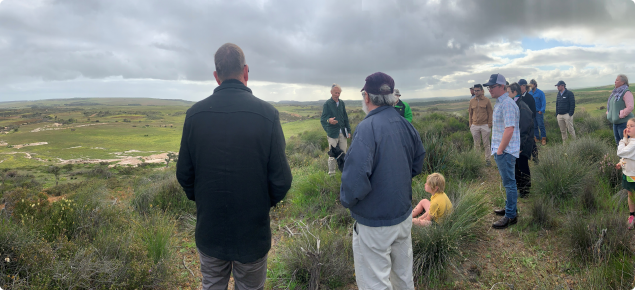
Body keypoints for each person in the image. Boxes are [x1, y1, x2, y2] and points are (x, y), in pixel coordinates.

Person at [176, 43, 293, 290]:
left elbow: (184, 174)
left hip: (210, 230)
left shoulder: (194, 115)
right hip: (252, 233)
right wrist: (262, 202)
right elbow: (282, 180)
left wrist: (205, 199)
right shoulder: (268, 114)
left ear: (216, 76)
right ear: (246, 71)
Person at [340, 72, 425, 290]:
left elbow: (354, 181)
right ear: (392, 97)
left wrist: (348, 201)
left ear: (366, 97)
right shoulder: (407, 126)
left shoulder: (366, 129)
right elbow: (416, 164)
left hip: (374, 222)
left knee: (375, 282)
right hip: (403, 215)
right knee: (404, 277)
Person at [483, 73, 520, 229]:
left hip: (505, 151)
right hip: (503, 150)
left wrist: (499, 150)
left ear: (502, 87)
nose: (490, 90)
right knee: (508, 182)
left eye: (492, 87)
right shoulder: (501, 102)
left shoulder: (507, 104)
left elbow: (509, 129)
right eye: (489, 87)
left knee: (509, 183)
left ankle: (511, 215)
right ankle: (510, 208)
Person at [509, 82, 534, 198]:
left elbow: (524, 128)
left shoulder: (522, 106)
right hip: (517, 142)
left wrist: (520, 146)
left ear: (515, 93)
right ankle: (520, 188)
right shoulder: (515, 104)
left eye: (508, 92)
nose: (506, 94)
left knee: (523, 166)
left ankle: (525, 191)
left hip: (523, 143)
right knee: (516, 166)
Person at [321, 83, 351, 175]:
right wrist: (328, 121)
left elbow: (345, 118)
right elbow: (323, 119)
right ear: (331, 92)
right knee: (332, 156)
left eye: (339, 93)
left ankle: (344, 173)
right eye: (335, 93)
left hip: (343, 132)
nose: (337, 95)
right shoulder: (327, 104)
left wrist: (349, 131)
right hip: (332, 134)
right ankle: (332, 174)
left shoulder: (341, 103)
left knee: (343, 154)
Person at [617, 118, 635, 229]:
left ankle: (632, 216)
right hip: (629, 173)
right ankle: (632, 215)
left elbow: (621, 151)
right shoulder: (631, 142)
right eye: (627, 125)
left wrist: (623, 139)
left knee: (632, 194)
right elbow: (626, 157)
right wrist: (621, 162)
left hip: (633, 174)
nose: (628, 128)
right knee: (630, 194)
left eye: (631, 126)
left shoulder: (633, 144)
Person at [468, 84, 493, 165]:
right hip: (474, 125)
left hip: (485, 125)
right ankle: (477, 160)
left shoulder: (487, 100)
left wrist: (489, 124)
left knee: (486, 143)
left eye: (478, 90)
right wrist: (470, 124)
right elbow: (470, 113)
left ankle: (488, 160)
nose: (476, 92)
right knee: (476, 144)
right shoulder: (472, 101)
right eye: (475, 90)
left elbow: (490, 112)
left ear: (482, 91)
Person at [607, 74, 633, 145]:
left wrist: (620, 114)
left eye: (617, 80)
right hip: (615, 123)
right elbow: (611, 105)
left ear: (623, 82)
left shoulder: (626, 92)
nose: (615, 81)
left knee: (626, 143)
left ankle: (628, 156)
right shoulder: (615, 93)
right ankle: (621, 156)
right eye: (615, 80)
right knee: (619, 143)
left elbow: (630, 107)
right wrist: (609, 113)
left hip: (624, 123)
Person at [529, 79, 547, 145]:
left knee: (541, 125)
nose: (531, 86)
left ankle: (543, 139)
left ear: (535, 84)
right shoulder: (529, 93)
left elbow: (543, 102)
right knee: (534, 126)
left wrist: (541, 110)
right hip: (532, 113)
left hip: (538, 112)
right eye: (530, 84)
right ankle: (536, 138)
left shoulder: (540, 92)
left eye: (532, 84)